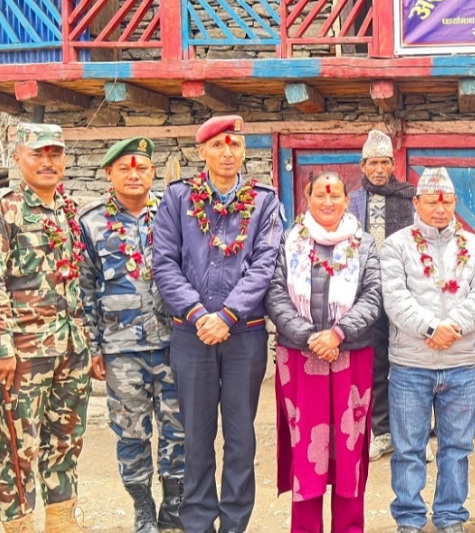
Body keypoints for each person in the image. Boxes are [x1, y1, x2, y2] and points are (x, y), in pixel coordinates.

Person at [153, 116, 284, 533]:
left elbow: (265, 264)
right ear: (202, 151)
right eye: (218, 145)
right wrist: (197, 314)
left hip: (244, 334)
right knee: (196, 434)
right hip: (191, 334)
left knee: (241, 435)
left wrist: (228, 315)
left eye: (235, 145)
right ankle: (197, 521)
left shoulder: (264, 201)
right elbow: (164, 263)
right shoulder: (178, 199)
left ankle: (234, 523)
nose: (227, 153)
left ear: (244, 151)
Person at [380, 167, 475, 533]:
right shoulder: (396, 246)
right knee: (408, 448)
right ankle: (409, 518)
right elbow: (395, 298)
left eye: (446, 201)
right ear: (416, 203)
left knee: (457, 447)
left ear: (455, 202)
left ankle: (450, 515)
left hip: (460, 363)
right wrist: (432, 328)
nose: (440, 208)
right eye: (431, 201)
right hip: (410, 364)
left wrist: (454, 327)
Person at [266, 172, 381, 533]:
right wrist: (309, 336)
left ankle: (349, 527)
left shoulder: (364, 244)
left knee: (349, 447)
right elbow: (274, 293)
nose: (327, 202)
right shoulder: (290, 242)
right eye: (320, 195)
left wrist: (338, 334)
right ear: (308, 197)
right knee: (306, 448)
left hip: (351, 356)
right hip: (300, 358)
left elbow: (373, 295)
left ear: (347, 200)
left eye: (335, 196)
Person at [79, 138, 185, 533]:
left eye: (141, 167)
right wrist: (93, 347)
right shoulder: (91, 222)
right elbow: (85, 288)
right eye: (125, 168)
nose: (134, 175)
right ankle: (143, 508)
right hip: (121, 348)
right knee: (130, 431)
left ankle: (173, 507)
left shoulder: (174, 214)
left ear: (152, 172)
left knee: (179, 428)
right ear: (110, 173)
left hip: (174, 344)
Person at [0, 123, 90, 533]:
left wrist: (89, 342)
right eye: (38, 154)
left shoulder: (69, 210)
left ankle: (61, 522)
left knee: (66, 440)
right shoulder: (8, 210)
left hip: (71, 349)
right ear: (18, 156)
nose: (47, 162)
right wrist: (3, 347)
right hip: (24, 354)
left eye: (55, 153)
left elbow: (79, 282)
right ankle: (18, 524)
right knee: (18, 447)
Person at [346, 129, 417, 462]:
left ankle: (413, 432)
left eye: (384, 162)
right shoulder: (353, 201)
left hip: (404, 290)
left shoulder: (409, 198)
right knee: (375, 363)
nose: (379, 169)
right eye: (372, 163)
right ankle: (382, 431)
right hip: (366, 293)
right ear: (362, 165)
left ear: (393, 164)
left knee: (408, 362)